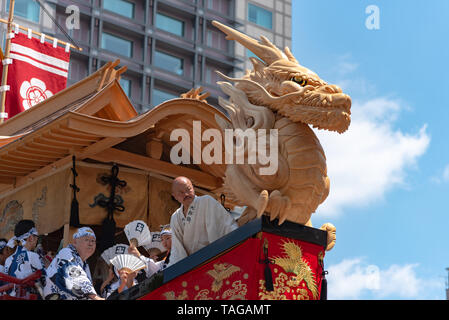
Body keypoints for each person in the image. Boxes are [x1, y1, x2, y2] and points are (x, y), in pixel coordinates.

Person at [168, 176, 238, 266]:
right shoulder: (175, 218)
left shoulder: (206, 201)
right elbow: (177, 250)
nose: (186, 194)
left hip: (215, 257)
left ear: (193, 187)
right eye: (181, 192)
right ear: (174, 196)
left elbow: (227, 226)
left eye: (188, 189)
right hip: (193, 266)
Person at [43, 227, 104, 300]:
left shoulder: (84, 264)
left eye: (93, 241)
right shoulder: (66, 253)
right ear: (75, 242)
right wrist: (96, 298)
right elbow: (76, 278)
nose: (90, 243)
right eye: (86, 240)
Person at [4, 220, 46, 298]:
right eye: (36, 236)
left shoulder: (8, 260)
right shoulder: (32, 256)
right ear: (31, 238)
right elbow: (45, 281)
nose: (37, 239)